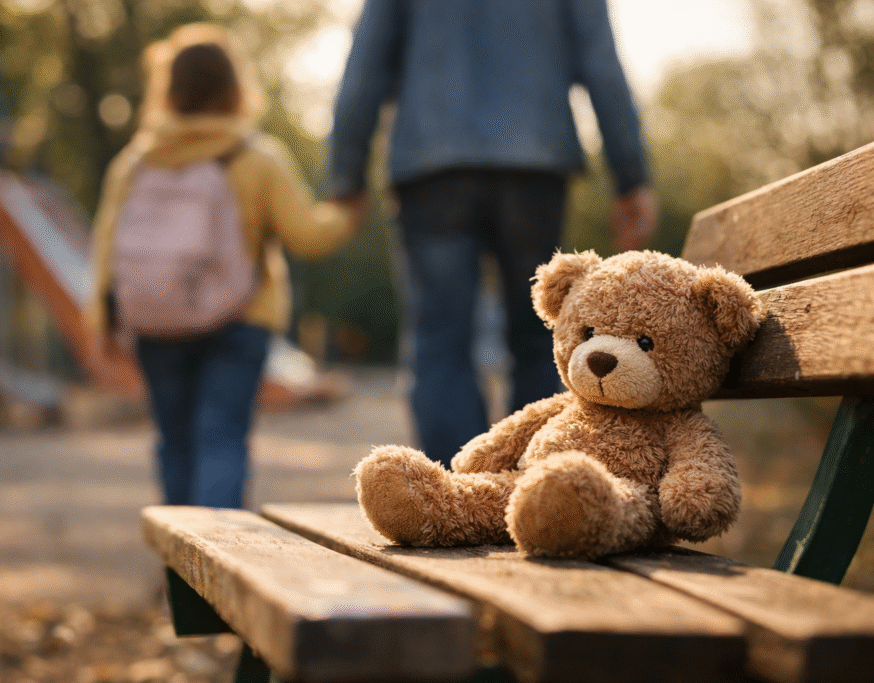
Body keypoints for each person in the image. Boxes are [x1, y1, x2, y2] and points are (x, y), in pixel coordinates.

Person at [326, 0, 658, 467]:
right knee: (542, 339)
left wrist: (346, 175)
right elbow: (601, 62)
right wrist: (631, 176)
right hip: (535, 163)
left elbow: (366, 65)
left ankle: (456, 496)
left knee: (440, 344)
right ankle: (541, 490)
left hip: (432, 166)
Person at [87, 24, 364, 508]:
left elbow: (106, 249)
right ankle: (212, 571)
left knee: (174, 442)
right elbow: (306, 236)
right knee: (222, 439)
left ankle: (177, 576)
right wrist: (348, 213)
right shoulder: (256, 158)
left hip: (157, 321)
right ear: (235, 87)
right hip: (240, 320)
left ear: (167, 89)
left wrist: (102, 323)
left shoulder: (135, 162)